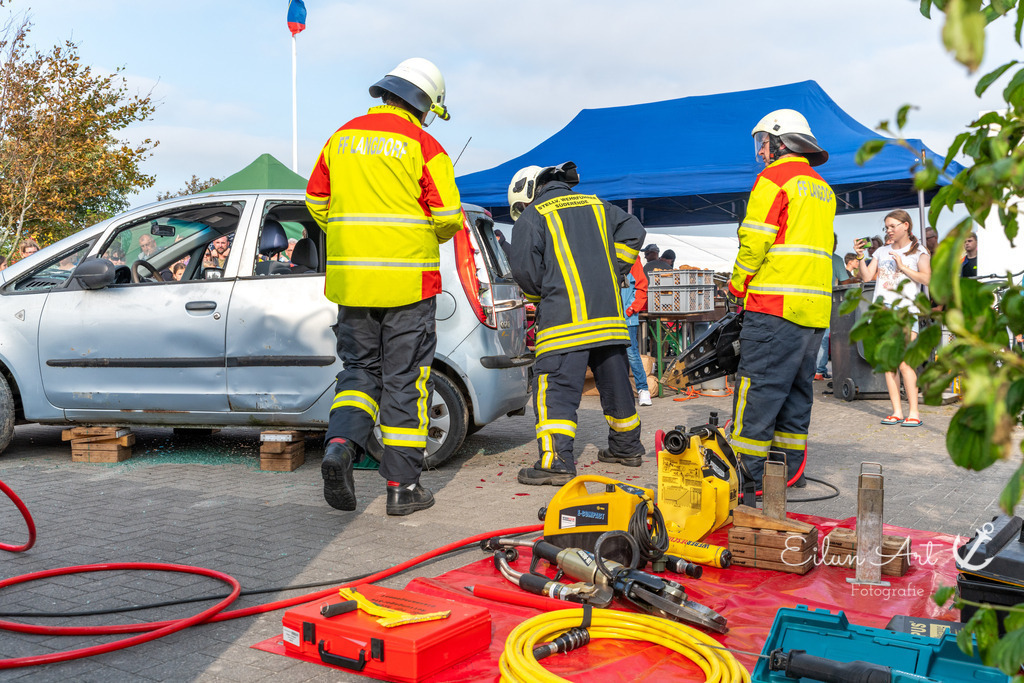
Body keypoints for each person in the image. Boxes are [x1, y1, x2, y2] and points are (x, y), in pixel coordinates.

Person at [305, 57, 460, 516]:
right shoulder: (423, 144)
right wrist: (418, 232)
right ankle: (402, 488)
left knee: (359, 375)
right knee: (405, 382)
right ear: (423, 102)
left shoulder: (340, 139)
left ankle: (339, 448)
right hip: (409, 287)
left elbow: (316, 203)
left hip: (352, 285)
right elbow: (449, 216)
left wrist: (355, 237)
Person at [506, 161, 647, 486]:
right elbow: (634, 232)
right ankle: (627, 448)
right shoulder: (597, 204)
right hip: (608, 319)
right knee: (615, 384)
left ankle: (556, 462)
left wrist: (544, 295)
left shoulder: (533, 216)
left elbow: (526, 273)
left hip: (564, 323)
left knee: (553, 387)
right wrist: (613, 269)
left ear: (527, 191)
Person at [727, 108, 835, 488]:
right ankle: (788, 475)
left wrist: (737, 285)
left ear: (780, 141)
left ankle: (745, 479)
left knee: (756, 393)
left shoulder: (774, 179)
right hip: (814, 311)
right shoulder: (823, 188)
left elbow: (755, 240)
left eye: (763, 142)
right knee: (796, 393)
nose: (761, 151)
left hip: (774, 307)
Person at [854, 209, 931, 427]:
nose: (888, 230)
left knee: (906, 363)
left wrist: (903, 267)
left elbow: (926, 279)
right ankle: (896, 411)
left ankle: (914, 412)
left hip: (906, 310)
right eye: (886, 227)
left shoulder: (919, 251)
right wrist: (861, 257)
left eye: (892, 226)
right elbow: (867, 276)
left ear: (905, 225)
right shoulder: (880, 252)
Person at [814, 233, 849, 380]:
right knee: (824, 337)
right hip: (827, 302)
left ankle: (810, 370)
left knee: (810, 336)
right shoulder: (836, 259)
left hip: (809, 299)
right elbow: (845, 282)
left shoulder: (813, 257)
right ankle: (819, 371)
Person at [621, 256, 652, 406]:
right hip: (610, 316)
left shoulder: (632, 259)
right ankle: (620, 392)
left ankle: (642, 389)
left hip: (627, 317)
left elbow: (642, 287)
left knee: (631, 353)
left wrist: (631, 309)